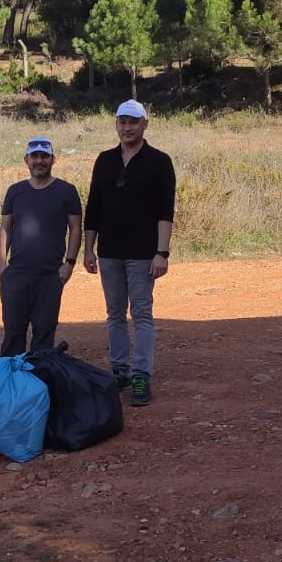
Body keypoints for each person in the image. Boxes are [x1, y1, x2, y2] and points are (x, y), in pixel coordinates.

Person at [83, 99, 176, 407]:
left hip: (142, 253)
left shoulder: (159, 161)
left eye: (133, 122)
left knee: (142, 314)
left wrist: (162, 252)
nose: (127, 127)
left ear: (144, 124)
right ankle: (119, 371)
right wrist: (89, 249)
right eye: (122, 122)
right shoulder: (105, 160)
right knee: (114, 314)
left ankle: (141, 377)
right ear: (117, 125)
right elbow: (93, 207)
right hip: (109, 251)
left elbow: (165, 211)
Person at [0, 136, 82, 357]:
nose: (39, 161)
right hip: (16, 274)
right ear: (26, 160)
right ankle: (10, 384)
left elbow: (75, 228)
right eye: (34, 156)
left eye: (44, 156)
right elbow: (5, 227)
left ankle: (40, 384)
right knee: (13, 333)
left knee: (44, 334)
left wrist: (69, 264)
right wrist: (2, 267)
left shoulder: (67, 191)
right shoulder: (15, 191)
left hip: (50, 275)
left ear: (53, 159)